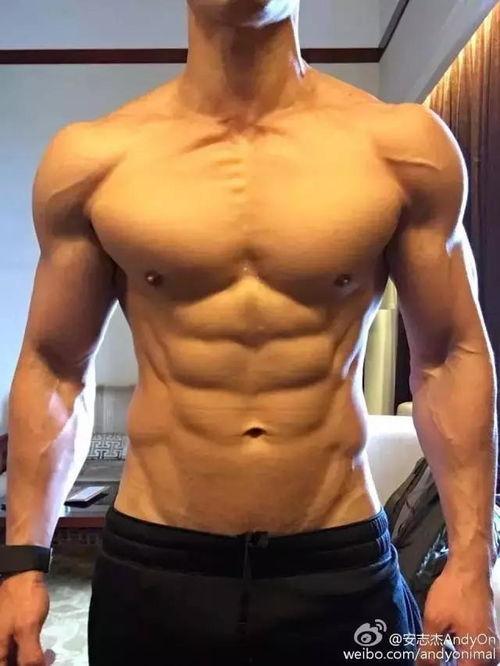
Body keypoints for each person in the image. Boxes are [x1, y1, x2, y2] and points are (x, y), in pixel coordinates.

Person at [0, 0, 498, 664]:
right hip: (156, 567)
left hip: (338, 563)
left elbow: (448, 357)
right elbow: (54, 367)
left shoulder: (402, 149)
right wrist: (24, 563)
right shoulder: (94, 160)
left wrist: (470, 560)